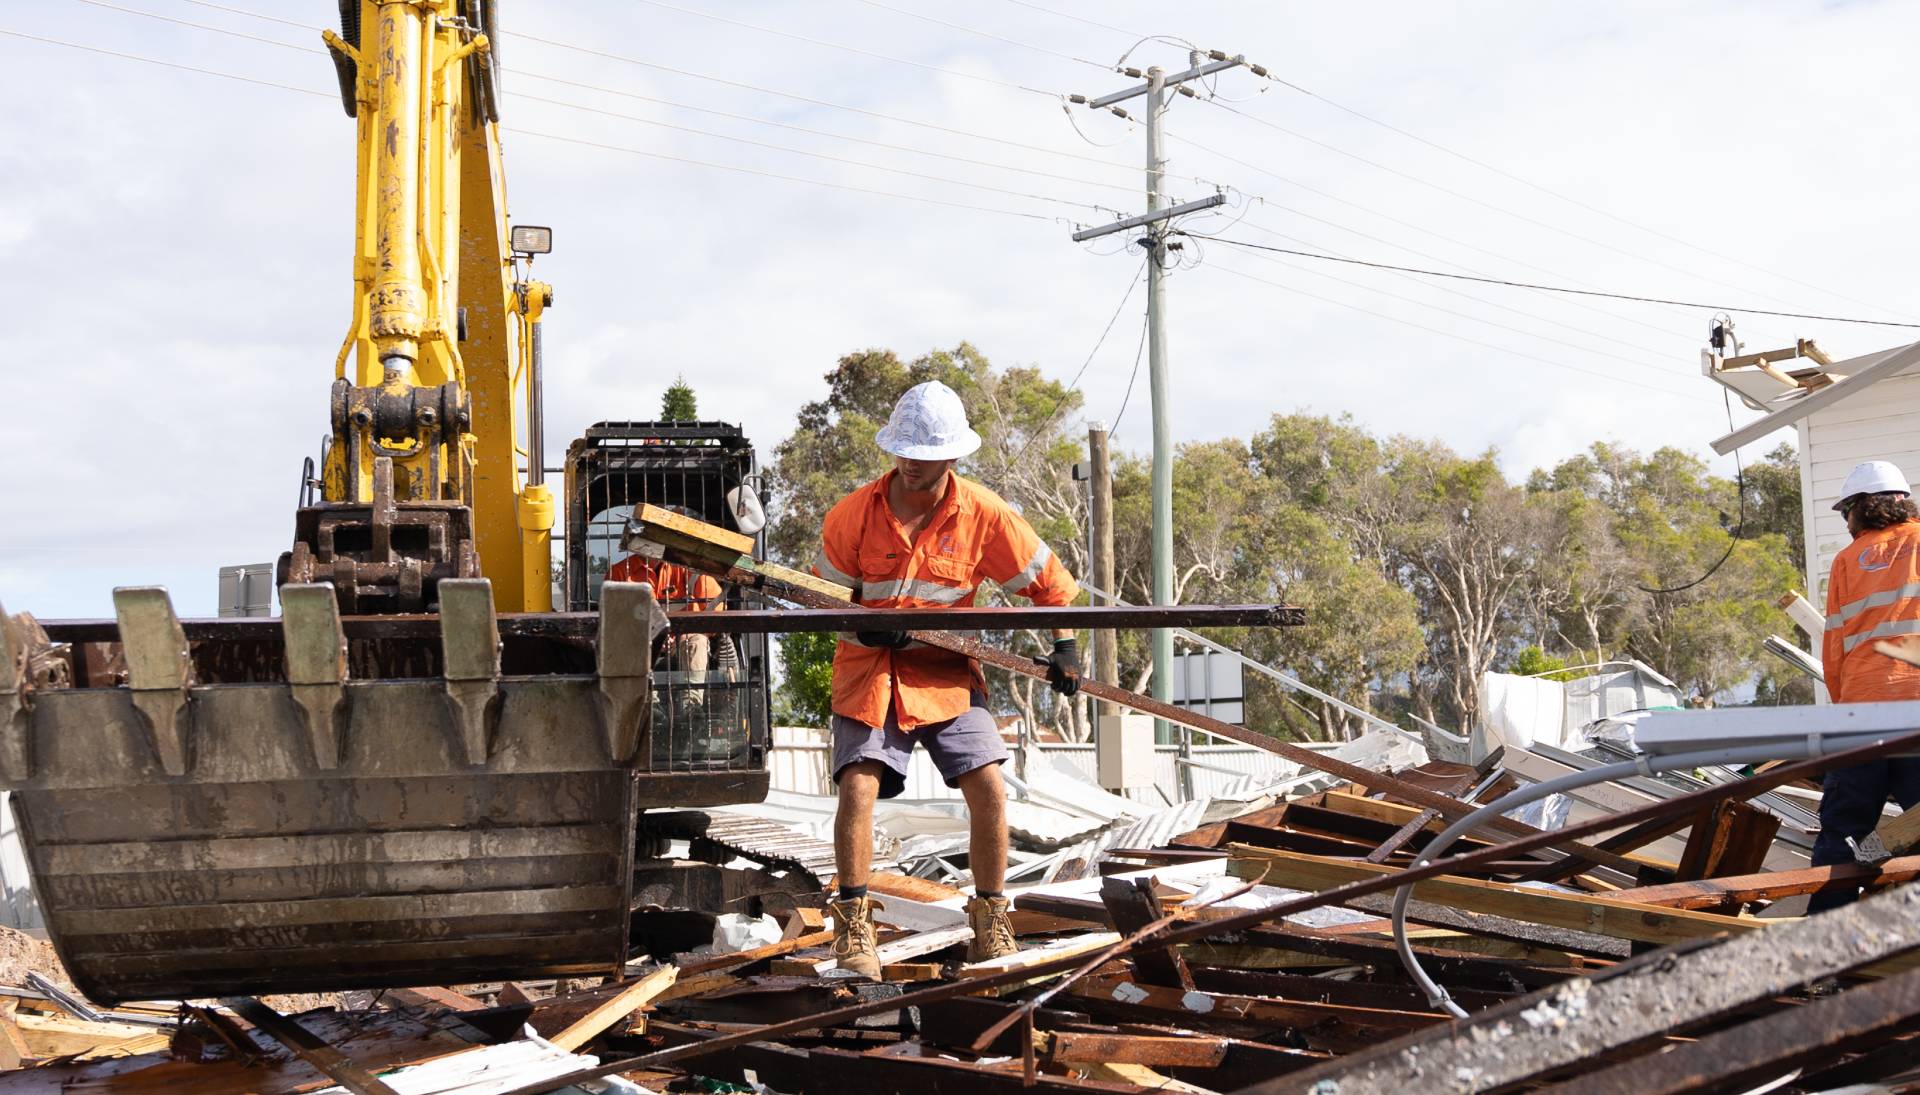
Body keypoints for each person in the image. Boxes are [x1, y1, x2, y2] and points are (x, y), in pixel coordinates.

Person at [812, 380, 1082, 979]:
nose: (911, 464)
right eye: (904, 451)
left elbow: (1050, 583)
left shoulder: (983, 515)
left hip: (946, 674)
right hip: (871, 673)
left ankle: (990, 923)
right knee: (858, 786)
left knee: (987, 784)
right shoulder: (852, 516)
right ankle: (854, 930)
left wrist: (1064, 645)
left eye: (925, 454)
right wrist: (864, 630)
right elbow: (819, 600)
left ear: (952, 456)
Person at [1812, 459, 1920, 912]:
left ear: (1858, 509)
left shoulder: (1844, 562)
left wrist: (1847, 710)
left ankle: (1819, 949)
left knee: (1842, 835)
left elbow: (1834, 650)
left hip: (1862, 718)